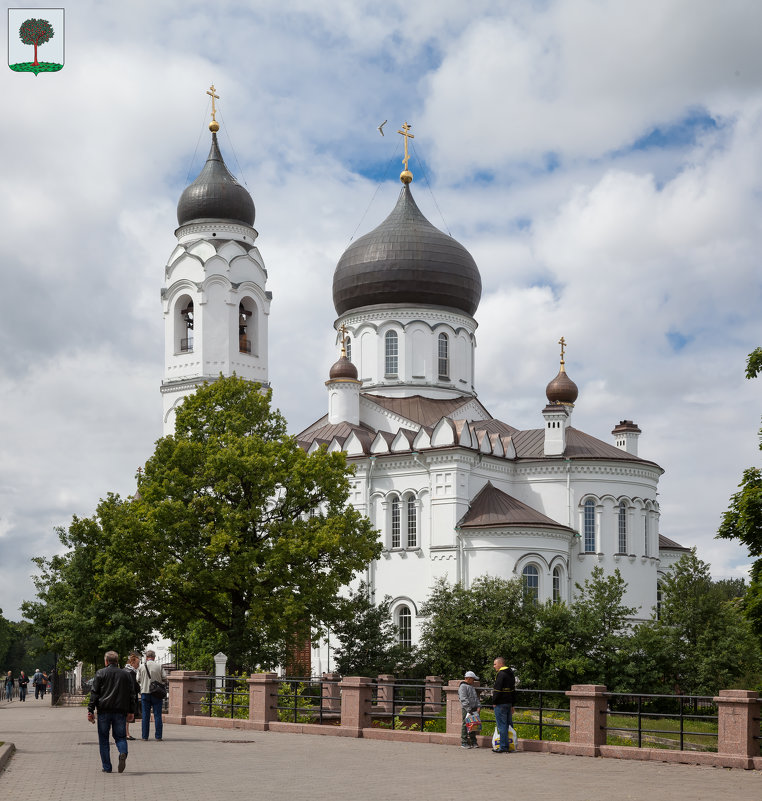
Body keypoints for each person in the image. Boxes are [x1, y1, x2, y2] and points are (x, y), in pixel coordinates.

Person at [87, 650, 137, 773]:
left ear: (106, 661)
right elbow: (132, 694)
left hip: (104, 710)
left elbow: (95, 693)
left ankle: (107, 767)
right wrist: (132, 711)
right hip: (120, 711)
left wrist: (90, 710)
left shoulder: (100, 673)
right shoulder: (125, 674)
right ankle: (123, 752)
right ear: (117, 661)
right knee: (120, 737)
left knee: (104, 739)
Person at [137, 650, 167, 741]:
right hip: (157, 693)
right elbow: (165, 678)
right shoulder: (159, 666)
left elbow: (137, 679)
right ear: (154, 657)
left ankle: (145, 736)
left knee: (145, 715)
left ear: (146, 657)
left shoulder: (141, 666)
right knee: (157, 715)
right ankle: (158, 736)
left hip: (145, 693)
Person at [492, 656, 516, 754]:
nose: (494, 666)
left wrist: (494, 701)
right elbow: (513, 690)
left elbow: (497, 689)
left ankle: (503, 747)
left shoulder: (501, 674)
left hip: (500, 703)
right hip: (508, 703)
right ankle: (511, 744)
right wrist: (512, 704)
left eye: (495, 664)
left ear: (501, 664)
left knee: (502, 726)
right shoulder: (511, 674)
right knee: (509, 724)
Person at [458, 670, 480, 749]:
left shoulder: (471, 686)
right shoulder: (463, 686)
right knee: (465, 724)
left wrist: (478, 706)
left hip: (473, 709)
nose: (474, 681)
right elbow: (463, 699)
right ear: (469, 678)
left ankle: (473, 741)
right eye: (473, 679)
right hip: (467, 709)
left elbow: (475, 697)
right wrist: (468, 709)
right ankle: (464, 742)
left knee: (473, 725)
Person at [124, 653, 140, 740]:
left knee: (124, 716)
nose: (138, 665)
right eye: (137, 663)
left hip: (123, 696)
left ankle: (125, 733)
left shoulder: (124, 670)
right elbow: (134, 687)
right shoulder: (132, 673)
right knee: (127, 716)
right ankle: (126, 733)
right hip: (129, 697)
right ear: (132, 663)